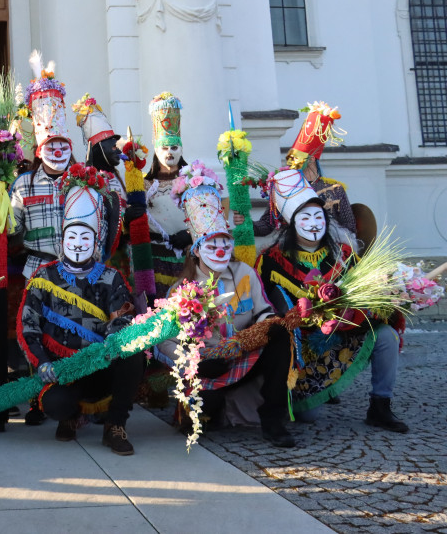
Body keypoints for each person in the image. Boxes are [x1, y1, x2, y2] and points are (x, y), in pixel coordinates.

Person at [254, 168, 407, 433]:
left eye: (318, 216)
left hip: (345, 333)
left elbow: (365, 292)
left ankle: (380, 405)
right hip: (304, 350)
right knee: (308, 416)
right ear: (292, 222)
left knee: (385, 337)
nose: (314, 223)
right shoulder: (271, 260)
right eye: (305, 217)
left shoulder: (345, 254)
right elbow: (268, 309)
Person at [155, 161, 295, 447]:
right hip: (209, 367)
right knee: (207, 410)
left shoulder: (245, 273)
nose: (220, 251)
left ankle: (273, 419)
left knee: (279, 334)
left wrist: (262, 329)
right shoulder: (181, 289)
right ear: (196, 251)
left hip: (244, 355)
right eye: (212, 245)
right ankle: (209, 412)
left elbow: (262, 310)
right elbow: (164, 341)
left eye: (225, 243)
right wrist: (193, 359)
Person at [17, 166, 144, 454]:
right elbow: (28, 327)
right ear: (62, 240)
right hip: (63, 371)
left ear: (96, 242)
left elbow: (123, 319)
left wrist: (105, 349)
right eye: (71, 237)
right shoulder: (44, 278)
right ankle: (70, 417)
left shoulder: (111, 278)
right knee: (56, 405)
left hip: (101, 365)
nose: (77, 244)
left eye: (85, 238)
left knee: (134, 357)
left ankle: (115, 424)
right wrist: (41, 363)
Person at [240, 103, 356, 248]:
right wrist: (246, 224)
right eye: (290, 157)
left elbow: (349, 227)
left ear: (312, 158)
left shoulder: (334, 189)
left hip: (328, 251)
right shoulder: (284, 187)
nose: (291, 161)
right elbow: (267, 224)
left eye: (297, 157)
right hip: (291, 251)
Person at [10, 52, 75, 281]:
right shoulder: (24, 185)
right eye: (50, 145)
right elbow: (11, 230)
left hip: (80, 271)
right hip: (38, 272)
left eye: (62, 145)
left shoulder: (85, 181)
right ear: (39, 150)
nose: (57, 152)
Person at [142, 92, 194, 298]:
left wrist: (189, 235)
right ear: (156, 150)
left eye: (174, 147)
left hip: (190, 257)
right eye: (164, 148)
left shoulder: (195, 181)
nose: (169, 152)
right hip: (156, 259)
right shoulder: (144, 185)